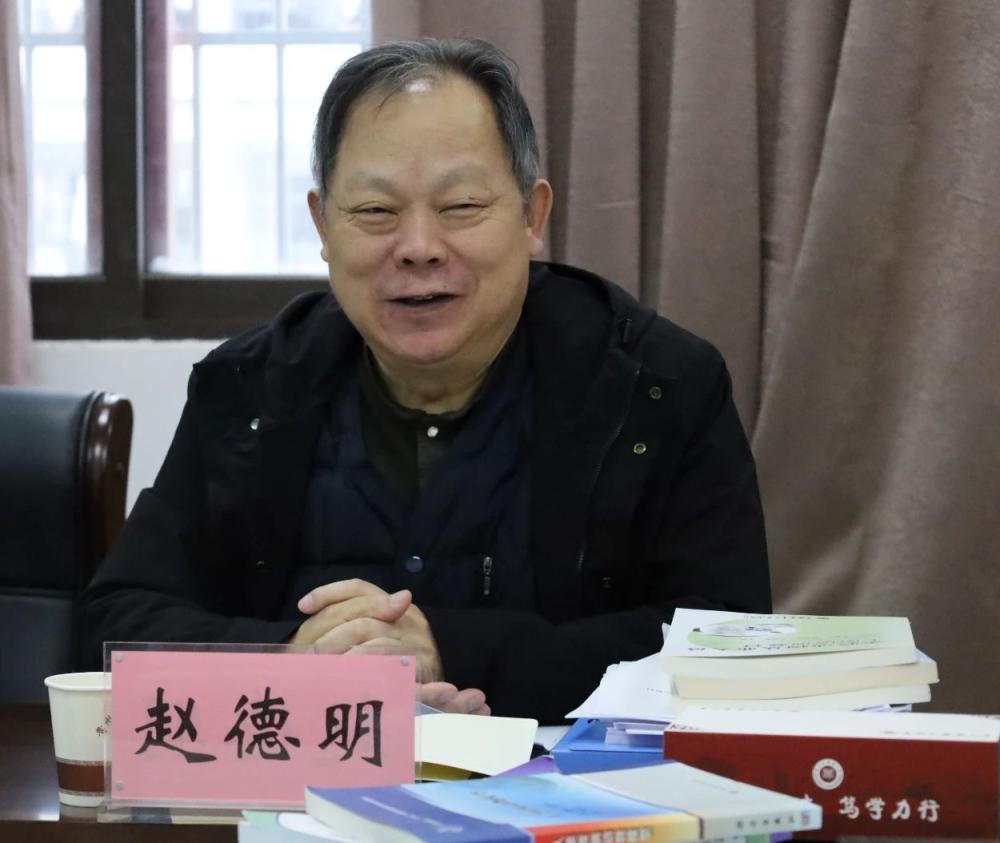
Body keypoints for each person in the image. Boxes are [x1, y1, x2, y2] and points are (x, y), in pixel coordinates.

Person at [77, 37, 771, 723]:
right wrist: (295, 661)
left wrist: (453, 649)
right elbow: (113, 623)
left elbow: (727, 642)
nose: (418, 248)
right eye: (375, 211)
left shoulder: (657, 388)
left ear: (532, 215)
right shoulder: (249, 389)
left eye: (461, 205)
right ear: (323, 225)